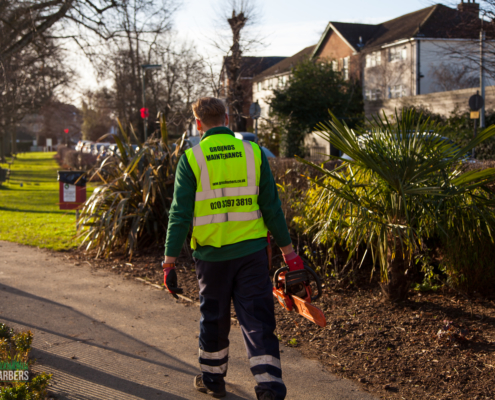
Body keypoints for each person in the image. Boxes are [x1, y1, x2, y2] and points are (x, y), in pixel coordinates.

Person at [163, 97, 305, 400]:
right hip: (252, 254)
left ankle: (213, 381)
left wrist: (169, 262)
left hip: (212, 257)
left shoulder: (192, 159)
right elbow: (271, 208)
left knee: (213, 317)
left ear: (198, 123)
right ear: (226, 118)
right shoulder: (253, 153)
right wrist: (289, 253)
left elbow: (179, 214)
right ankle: (269, 387)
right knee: (257, 319)